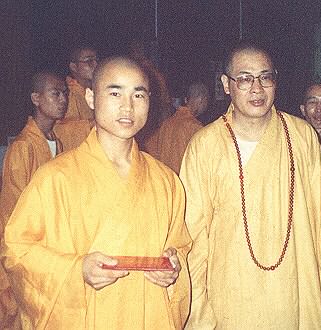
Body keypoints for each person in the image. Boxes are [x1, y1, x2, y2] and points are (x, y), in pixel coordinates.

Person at [180, 41, 321, 329]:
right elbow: (193, 239)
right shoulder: (205, 146)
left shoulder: (301, 137)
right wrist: (199, 316)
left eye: (266, 77)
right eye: (245, 79)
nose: (257, 88)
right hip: (230, 301)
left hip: (296, 294)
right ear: (226, 84)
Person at [1, 57, 192, 329]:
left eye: (138, 94)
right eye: (115, 93)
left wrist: (174, 266)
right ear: (90, 97)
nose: (128, 106)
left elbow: (182, 248)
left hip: (148, 316)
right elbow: (17, 252)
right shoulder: (55, 178)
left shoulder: (166, 181)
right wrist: (75, 269)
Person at [0, 71, 68, 329]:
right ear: (36, 98)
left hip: (48, 246)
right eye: (55, 93)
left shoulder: (55, 142)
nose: (62, 99)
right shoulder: (23, 146)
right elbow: (11, 208)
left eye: (64, 93)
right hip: (25, 247)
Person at [144, 82, 208, 174]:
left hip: (165, 181)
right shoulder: (195, 127)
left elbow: (151, 153)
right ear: (201, 99)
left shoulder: (166, 124)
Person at [52, 45, 97, 151]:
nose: (95, 64)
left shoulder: (97, 91)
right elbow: (57, 130)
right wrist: (95, 125)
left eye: (96, 60)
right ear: (74, 67)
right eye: (89, 61)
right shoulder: (67, 94)